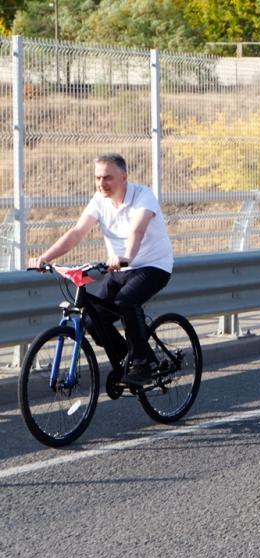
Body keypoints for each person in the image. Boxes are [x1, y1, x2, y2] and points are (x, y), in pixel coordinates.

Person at [29, 154, 174, 386]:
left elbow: (137, 231)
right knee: (90, 317)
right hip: (119, 269)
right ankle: (129, 357)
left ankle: (143, 364)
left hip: (153, 266)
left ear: (124, 177)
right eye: (97, 177)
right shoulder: (99, 200)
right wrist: (45, 258)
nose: (101, 183)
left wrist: (126, 256)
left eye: (108, 177)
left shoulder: (143, 197)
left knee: (126, 301)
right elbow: (77, 232)